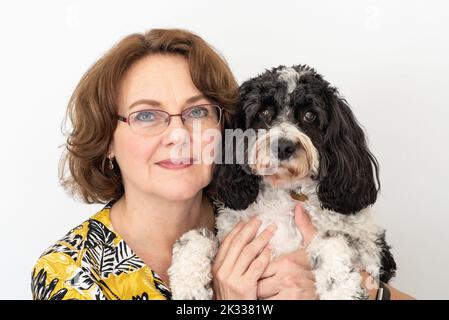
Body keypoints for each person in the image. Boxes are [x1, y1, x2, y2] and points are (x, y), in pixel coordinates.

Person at [31, 28, 414, 300]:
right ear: (106, 141)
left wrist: (366, 290)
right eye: (146, 115)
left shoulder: (266, 202)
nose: (178, 135)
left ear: (225, 126)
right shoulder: (69, 275)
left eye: (196, 111)